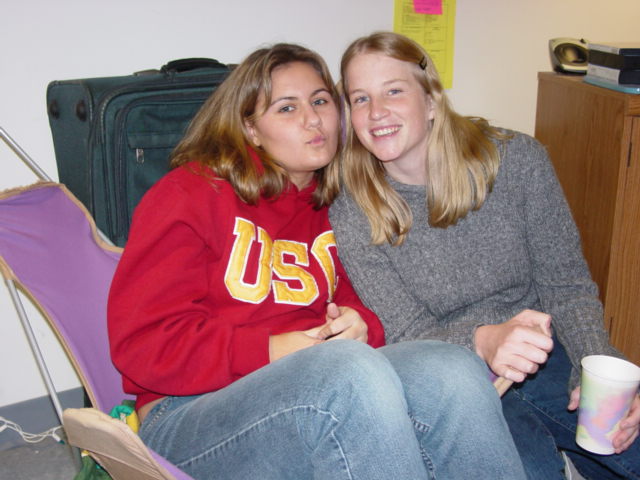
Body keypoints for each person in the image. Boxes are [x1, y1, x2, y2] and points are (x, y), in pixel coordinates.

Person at [107, 42, 525, 480]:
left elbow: (364, 305)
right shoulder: (189, 194)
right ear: (250, 128)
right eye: (287, 108)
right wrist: (272, 350)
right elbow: (143, 345)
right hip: (188, 415)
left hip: (319, 388)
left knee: (452, 368)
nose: (313, 120)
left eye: (321, 101)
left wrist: (361, 325)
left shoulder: (339, 206)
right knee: (346, 372)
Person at [328, 31, 640, 480]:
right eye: (360, 98)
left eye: (393, 91)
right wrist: (483, 340)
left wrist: (595, 367)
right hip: (456, 378)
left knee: (626, 439)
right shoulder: (353, 208)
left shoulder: (516, 159)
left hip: (546, 349)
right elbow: (406, 333)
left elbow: (566, 284)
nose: (376, 112)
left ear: (431, 99)